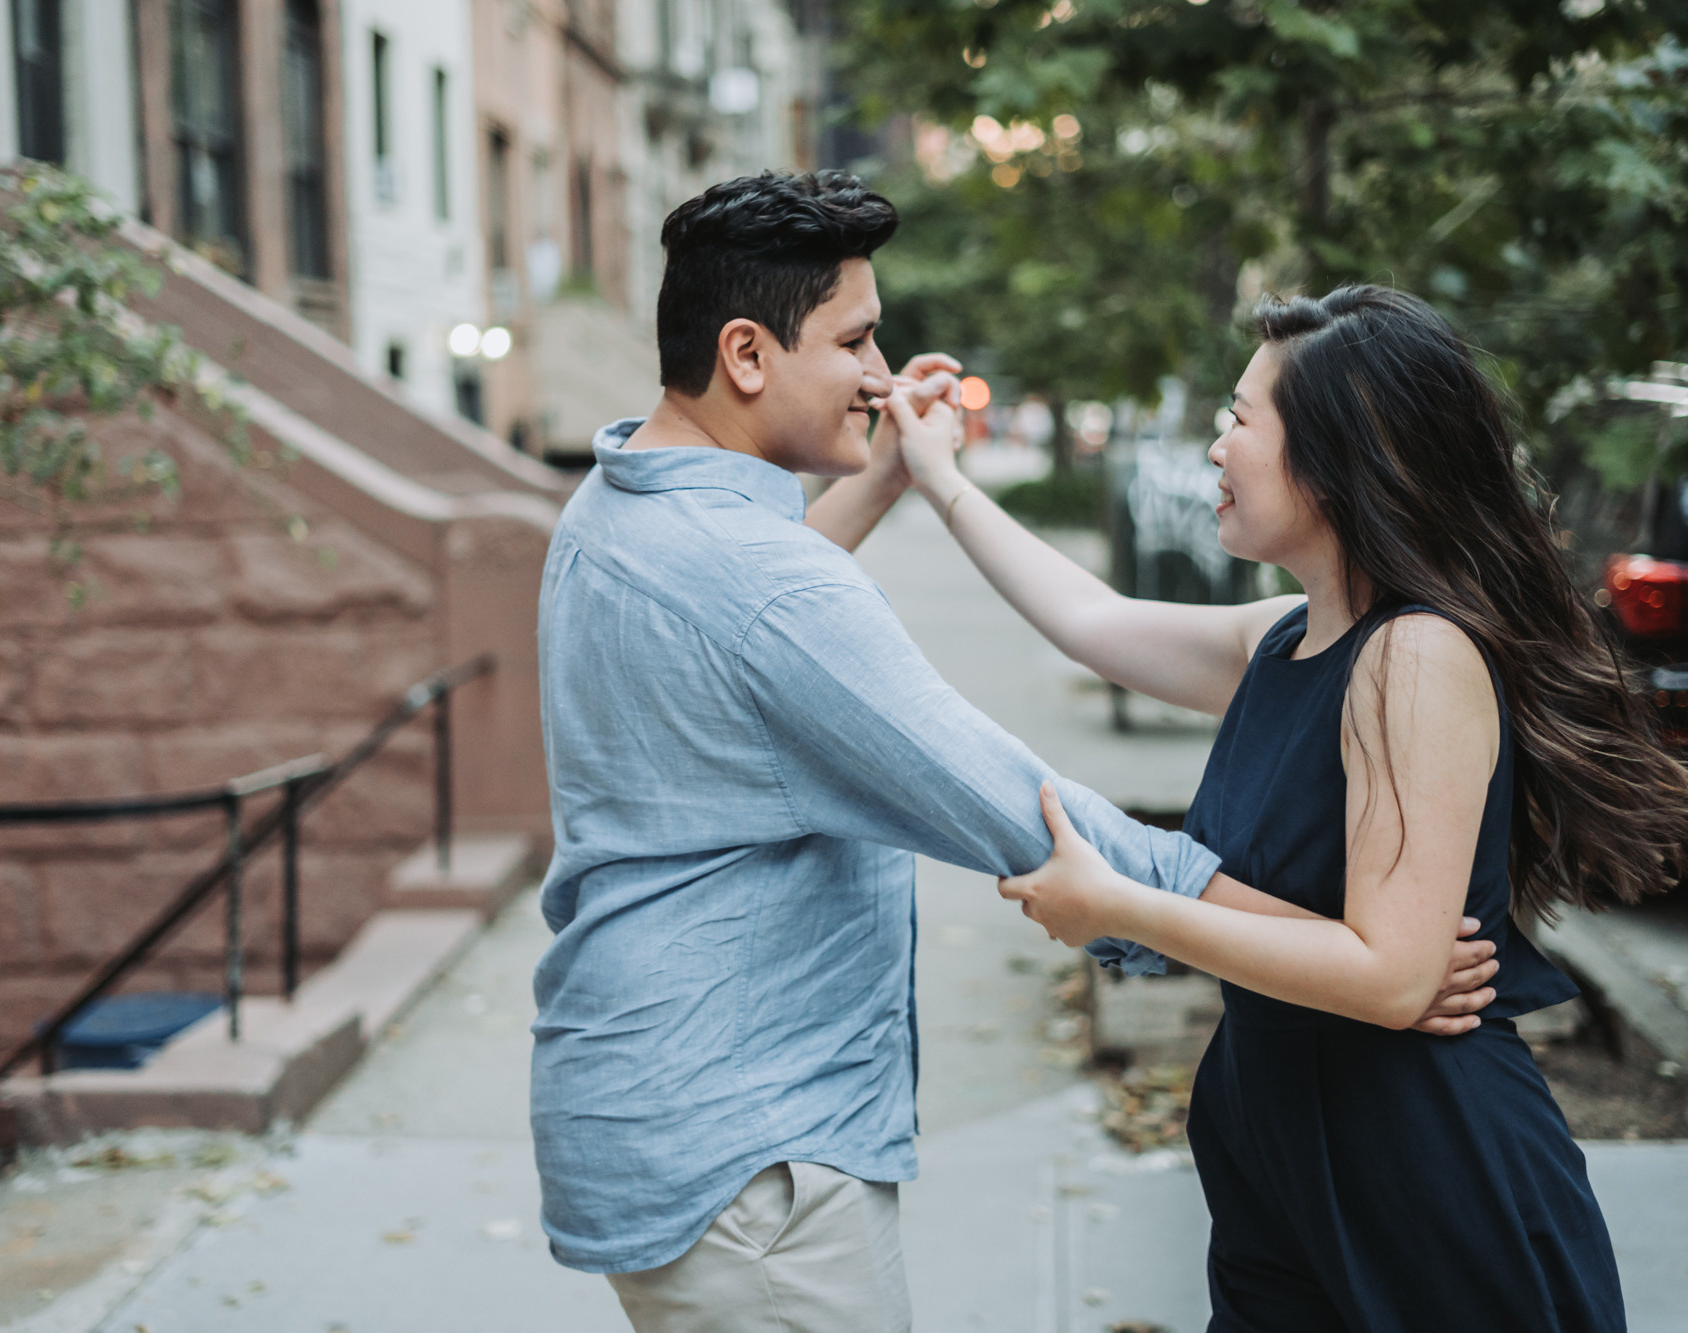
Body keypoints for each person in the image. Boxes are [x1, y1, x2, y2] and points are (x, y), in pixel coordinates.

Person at [531, 176, 1499, 1333]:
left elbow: (770, 611)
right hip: (750, 1148)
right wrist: (1351, 956)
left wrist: (902, 471)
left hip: (660, 1105)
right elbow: (1018, 805)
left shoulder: (620, 505)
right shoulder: (763, 586)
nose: (883, 372)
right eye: (854, 339)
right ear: (745, 353)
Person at [888, 284, 1688, 1331]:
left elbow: (1393, 976)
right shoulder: (1283, 637)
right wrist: (937, 474)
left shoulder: (1415, 654)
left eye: (1238, 419)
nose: (1214, 449)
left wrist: (1126, 907)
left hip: (1421, 1162)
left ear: (1335, 454)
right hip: (1275, 1142)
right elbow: (1085, 617)